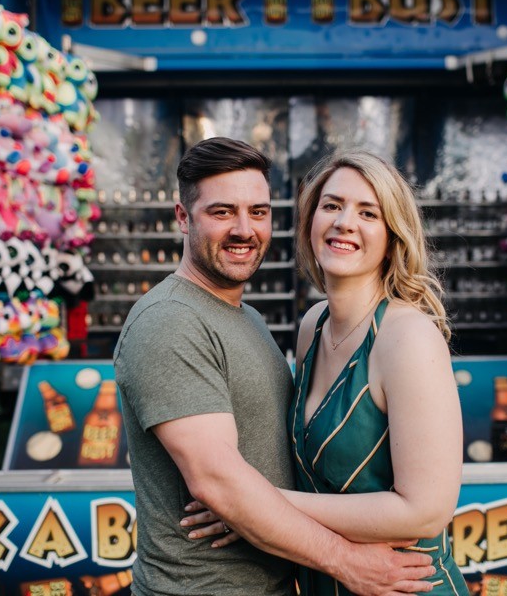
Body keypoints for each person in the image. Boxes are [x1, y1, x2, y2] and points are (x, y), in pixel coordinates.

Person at [114, 137, 439, 596]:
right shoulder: (169, 320)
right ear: (183, 218)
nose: (244, 229)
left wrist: (260, 504)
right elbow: (218, 484)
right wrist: (346, 560)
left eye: (258, 212)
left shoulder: (248, 318)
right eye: (222, 212)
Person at [185, 149, 469, 595]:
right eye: (332, 205)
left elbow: (426, 512)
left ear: (393, 236)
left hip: (402, 586)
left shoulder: (408, 337)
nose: (344, 222)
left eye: (368, 213)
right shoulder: (312, 326)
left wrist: (251, 506)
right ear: (310, 220)